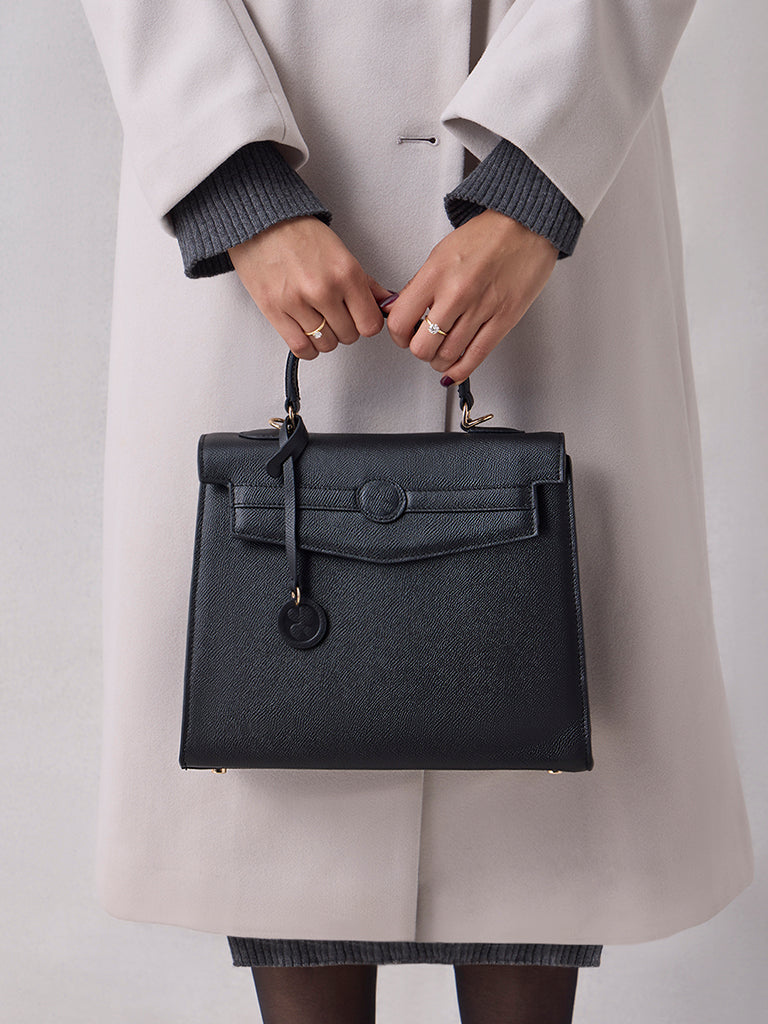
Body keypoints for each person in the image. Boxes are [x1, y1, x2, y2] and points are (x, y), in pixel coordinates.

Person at [78, 2, 753, 1022]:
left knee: (540, 802)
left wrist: (535, 184)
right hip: (268, 190)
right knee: (286, 790)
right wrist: (234, 186)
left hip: (547, 210)